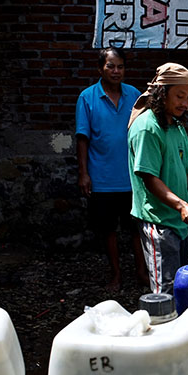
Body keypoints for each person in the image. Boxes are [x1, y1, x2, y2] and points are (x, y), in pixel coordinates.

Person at [127, 63, 188, 295]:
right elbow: (149, 178)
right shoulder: (147, 128)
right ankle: (162, 327)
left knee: (181, 284)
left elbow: (185, 173)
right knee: (164, 289)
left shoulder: (177, 127)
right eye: (180, 96)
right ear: (162, 93)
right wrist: (181, 204)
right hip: (158, 221)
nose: (185, 103)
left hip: (178, 221)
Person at [75, 48, 146, 289]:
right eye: (110, 66)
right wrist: (84, 174)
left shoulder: (135, 95)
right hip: (102, 177)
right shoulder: (87, 97)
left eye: (120, 67)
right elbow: (82, 138)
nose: (116, 71)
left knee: (136, 228)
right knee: (108, 230)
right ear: (100, 69)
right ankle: (116, 274)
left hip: (131, 176)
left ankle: (141, 272)